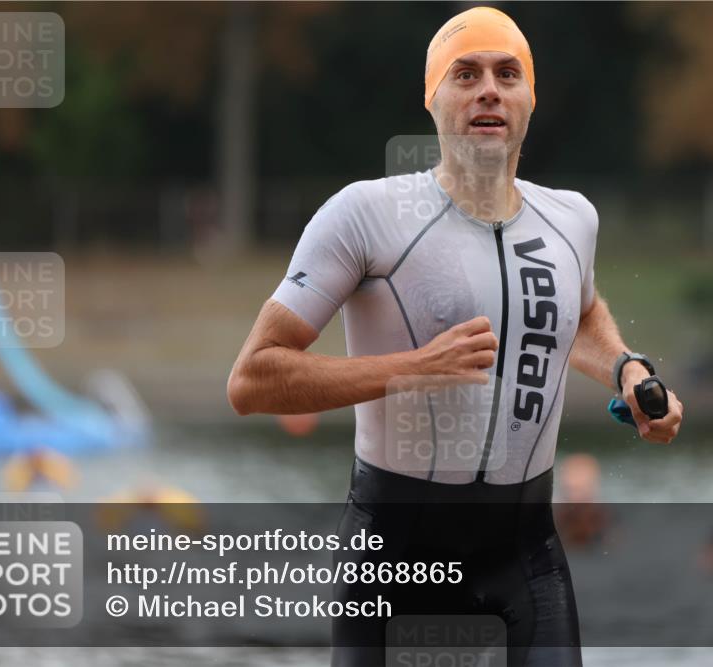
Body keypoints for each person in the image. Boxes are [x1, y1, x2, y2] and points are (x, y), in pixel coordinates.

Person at [227, 6, 684, 665]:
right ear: (433, 99)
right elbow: (251, 378)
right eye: (465, 75)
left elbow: (578, 315)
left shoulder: (572, 219)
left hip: (525, 556)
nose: (489, 90)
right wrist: (411, 366)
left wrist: (628, 371)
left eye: (507, 73)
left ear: (530, 97)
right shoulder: (366, 214)